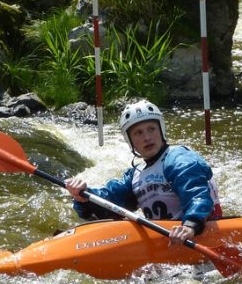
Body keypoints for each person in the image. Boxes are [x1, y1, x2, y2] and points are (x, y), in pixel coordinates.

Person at [65, 100, 222, 246]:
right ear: (130, 141)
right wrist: (84, 197)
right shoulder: (135, 175)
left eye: (151, 129)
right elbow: (110, 202)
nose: (147, 137)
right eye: (138, 133)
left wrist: (190, 225)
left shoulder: (179, 159)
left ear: (161, 130)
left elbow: (196, 195)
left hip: (197, 230)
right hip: (167, 238)